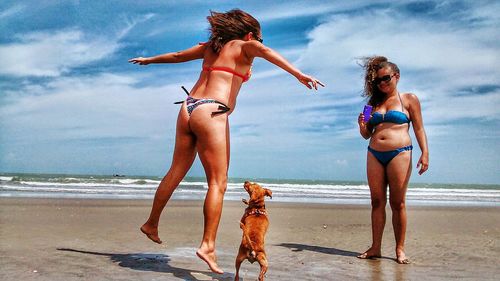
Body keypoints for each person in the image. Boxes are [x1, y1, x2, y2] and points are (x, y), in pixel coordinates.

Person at [129, 9, 324, 274]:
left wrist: (150, 60)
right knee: (217, 184)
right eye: (259, 40)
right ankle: (207, 245)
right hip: (213, 111)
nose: (259, 45)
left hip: (188, 107)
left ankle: (152, 223)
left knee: (175, 171)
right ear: (250, 34)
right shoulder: (245, 45)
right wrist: (298, 74)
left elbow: (176, 56)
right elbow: (264, 52)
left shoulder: (210, 47)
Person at [357, 56, 428, 264]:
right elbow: (366, 134)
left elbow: (419, 127)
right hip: (374, 153)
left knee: (398, 203)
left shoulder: (409, 99)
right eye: (378, 81)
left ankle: (399, 249)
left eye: (386, 78)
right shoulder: (371, 105)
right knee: (377, 202)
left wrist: (425, 153)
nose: (382, 83)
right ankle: (375, 247)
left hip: (400, 152)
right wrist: (362, 125)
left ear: (396, 76)